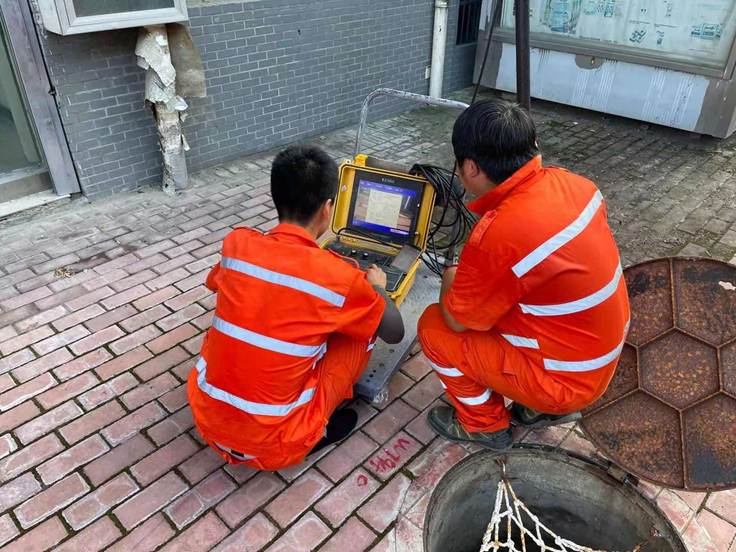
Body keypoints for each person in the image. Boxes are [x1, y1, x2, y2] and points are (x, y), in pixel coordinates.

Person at [418, 99, 630, 450]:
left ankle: (484, 425)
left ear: (470, 167)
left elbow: (457, 320)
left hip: (566, 381)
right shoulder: (577, 185)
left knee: (433, 327)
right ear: (533, 145)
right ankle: (534, 409)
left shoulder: (500, 234)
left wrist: (451, 276)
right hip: (597, 353)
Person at [188, 145, 404, 470]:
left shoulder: (237, 244)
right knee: (362, 330)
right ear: (327, 210)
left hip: (209, 423)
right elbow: (394, 332)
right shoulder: (338, 276)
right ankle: (317, 431)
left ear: (276, 196)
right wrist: (376, 288)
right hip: (276, 447)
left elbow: (220, 284)